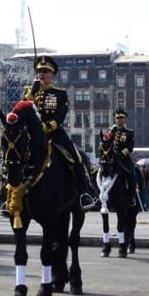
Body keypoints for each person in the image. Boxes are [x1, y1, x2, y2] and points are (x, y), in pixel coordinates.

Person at [23, 55, 99, 211]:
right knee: (14, 158)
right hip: (32, 136)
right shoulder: (30, 92)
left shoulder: (59, 93)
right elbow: (23, 109)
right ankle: (9, 197)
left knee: (76, 157)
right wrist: (32, 94)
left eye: (45, 71)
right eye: (39, 71)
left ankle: (85, 193)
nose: (41, 74)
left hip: (54, 134)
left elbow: (60, 116)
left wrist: (45, 127)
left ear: (52, 75)